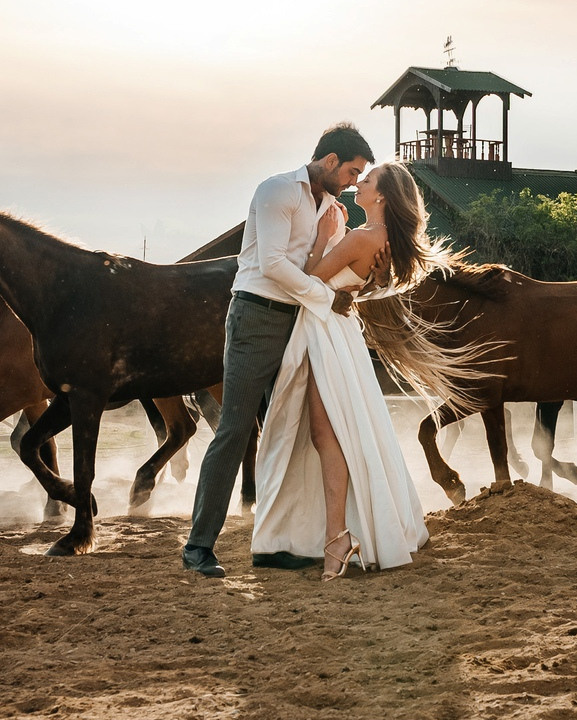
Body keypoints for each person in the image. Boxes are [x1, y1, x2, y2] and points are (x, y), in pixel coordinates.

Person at [248, 159, 465, 576]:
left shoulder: (364, 237)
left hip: (326, 334)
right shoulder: (376, 238)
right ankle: (338, 532)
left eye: (367, 180)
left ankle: (337, 537)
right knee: (335, 433)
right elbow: (352, 286)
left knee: (328, 436)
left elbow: (308, 278)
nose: (358, 184)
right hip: (337, 332)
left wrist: (324, 236)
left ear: (381, 195)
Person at [181, 124, 373, 578]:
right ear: (330, 160)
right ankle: (198, 546)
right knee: (235, 429)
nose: (352, 182)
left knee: (293, 432)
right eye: (351, 172)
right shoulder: (277, 190)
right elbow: (271, 264)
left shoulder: (331, 208)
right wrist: (326, 297)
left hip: (301, 322)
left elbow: (322, 264)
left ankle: (279, 543)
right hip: (257, 318)